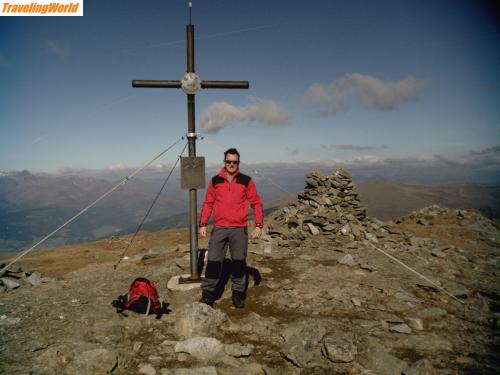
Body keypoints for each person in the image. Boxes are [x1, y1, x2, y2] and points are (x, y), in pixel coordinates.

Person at [199, 148, 263, 308]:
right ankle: (208, 294)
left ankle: (238, 295)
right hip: (219, 227)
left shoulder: (246, 180)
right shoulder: (215, 181)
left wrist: (258, 225)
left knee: (239, 263)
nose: (232, 164)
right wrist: (203, 223)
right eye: (229, 161)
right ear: (224, 162)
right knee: (213, 261)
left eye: (235, 162)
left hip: (239, 229)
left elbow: (256, 203)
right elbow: (208, 203)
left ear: (238, 163)